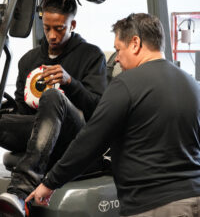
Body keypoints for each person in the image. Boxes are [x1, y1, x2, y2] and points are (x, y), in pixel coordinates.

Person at [25, 12, 200, 217]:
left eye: (118, 49)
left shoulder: (126, 84)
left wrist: (49, 183)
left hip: (153, 206)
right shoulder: (193, 85)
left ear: (135, 43)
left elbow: (91, 141)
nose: (116, 58)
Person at [0, 0, 107, 217]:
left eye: (59, 28)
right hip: (40, 135)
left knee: (52, 97)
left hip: (76, 136)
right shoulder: (28, 60)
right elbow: (23, 114)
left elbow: (99, 111)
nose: (52, 35)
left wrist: (70, 83)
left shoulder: (91, 56)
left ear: (73, 24)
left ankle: (20, 190)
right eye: (47, 27)